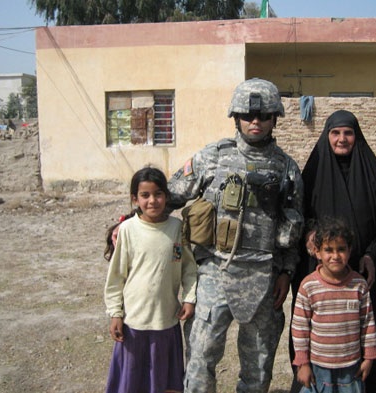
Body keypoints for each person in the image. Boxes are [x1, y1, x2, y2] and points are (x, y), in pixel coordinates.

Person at [167, 78, 304, 393]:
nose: (255, 121)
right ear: (236, 117)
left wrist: (286, 272)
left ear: (274, 118)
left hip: (265, 278)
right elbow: (170, 195)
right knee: (201, 358)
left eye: (263, 116)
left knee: (258, 365)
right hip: (215, 272)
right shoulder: (212, 157)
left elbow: (295, 225)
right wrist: (130, 220)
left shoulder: (287, 169)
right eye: (247, 115)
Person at [291, 109, 376, 393]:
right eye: (335, 133)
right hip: (322, 280)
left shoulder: (372, 176)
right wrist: (310, 234)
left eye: (348, 133)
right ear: (327, 136)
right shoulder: (313, 174)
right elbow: (296, 219)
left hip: (362, 281)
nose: (342, 139)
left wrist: (372, 256)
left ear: (357, 136)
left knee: (364, 327)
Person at [103, 166, 198, 393]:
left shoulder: (176, 228)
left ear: (166, 196)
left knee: (164, 381)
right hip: (134, 322)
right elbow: (116, 276)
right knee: (133, 380)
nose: (152, 201)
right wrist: (116, 313)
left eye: (158, 194)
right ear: (135, 198)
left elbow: (188, 268)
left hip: (166, 320)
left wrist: (189, 298)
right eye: (145, 195)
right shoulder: (127, 230)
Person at [292, 217, 376, 393]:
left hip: (351, 367)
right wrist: (302, 363)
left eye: (341, 249)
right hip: (319, 368)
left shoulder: (358, 285)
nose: (335, 256)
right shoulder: (309, 286)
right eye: (328, 250)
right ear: (317, 252)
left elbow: (368, 323)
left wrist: (369, 356)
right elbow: (300, 328)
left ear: (349, 250)